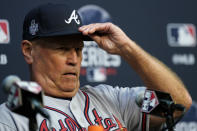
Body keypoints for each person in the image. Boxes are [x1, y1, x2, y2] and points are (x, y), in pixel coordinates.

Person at [0, 3, 192, 131]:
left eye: (78, 49)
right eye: (62, 49)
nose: (74, 59)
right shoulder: (9, 119)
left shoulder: (110, 99)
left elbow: (177, 104)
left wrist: (127, 48)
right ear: (28, 50)